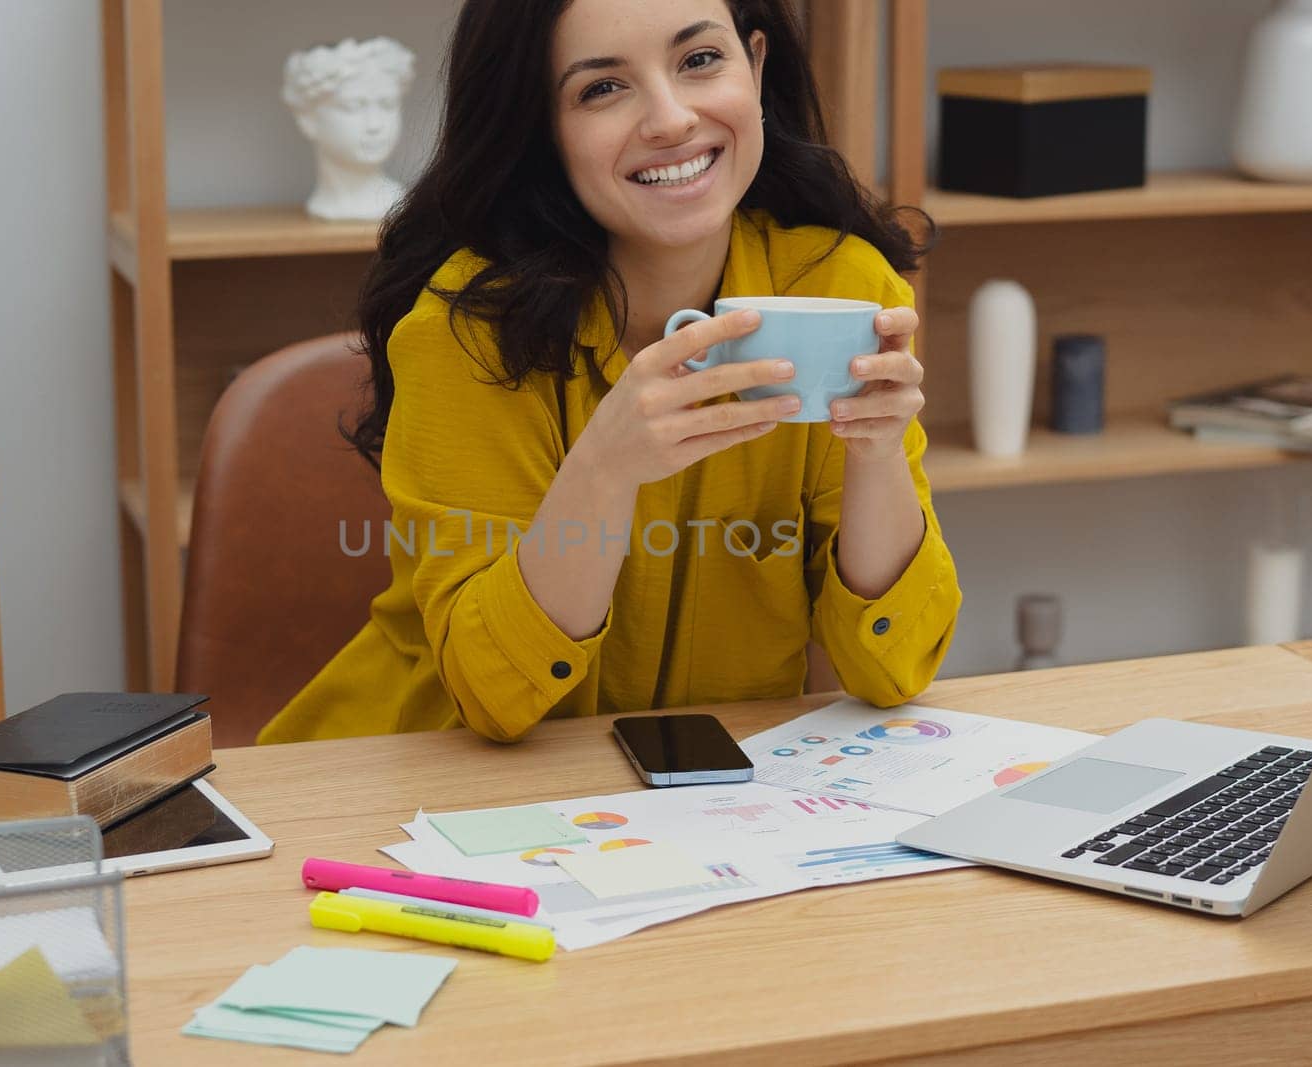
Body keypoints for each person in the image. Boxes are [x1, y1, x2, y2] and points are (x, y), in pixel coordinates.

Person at [260, 0, 961, 745]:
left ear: (756, 67)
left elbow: (895, 668)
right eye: (602, 88)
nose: (669, 120)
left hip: (691, 808)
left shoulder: (843, 290)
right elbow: (493, 694)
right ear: (542, 127)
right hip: (411, 786)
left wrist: (879, 454)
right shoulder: (466, 331)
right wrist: (604, 468)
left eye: (699, 61)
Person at [282, 36, 416, 221]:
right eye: (353, 106)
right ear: (308, 118)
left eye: (388, 104)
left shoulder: (399, 203)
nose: (374, 125)